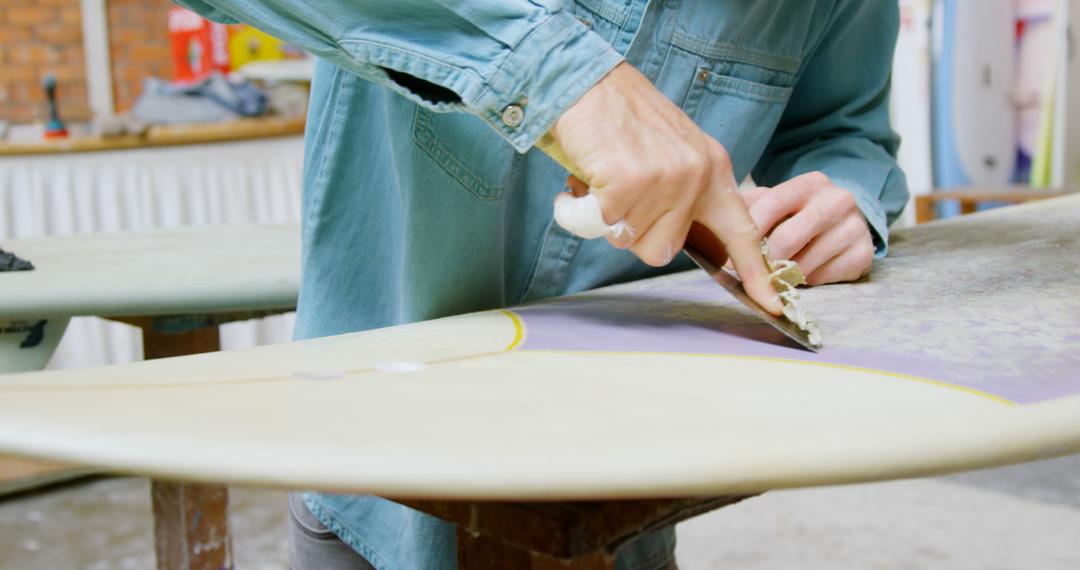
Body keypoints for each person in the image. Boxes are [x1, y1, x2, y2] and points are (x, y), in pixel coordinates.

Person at [176, 1, 909, 568]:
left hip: (620, 499)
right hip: (371, 490)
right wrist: (556, 74)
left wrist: (847, 194)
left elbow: (845, 129)